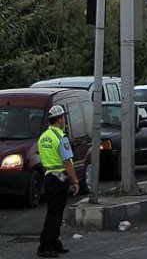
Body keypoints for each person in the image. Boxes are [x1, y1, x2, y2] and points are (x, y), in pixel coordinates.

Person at [37, 105, 80, 258]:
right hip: (60, 178)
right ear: (60, 119)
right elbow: (67, 162)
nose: (64, 121)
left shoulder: (44, 137)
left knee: (54, 212)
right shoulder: (61, 137)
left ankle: (55, 242)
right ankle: (45, 246)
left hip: (49, 176)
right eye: (63, 118)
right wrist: (75, 181)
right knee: (54, 214)